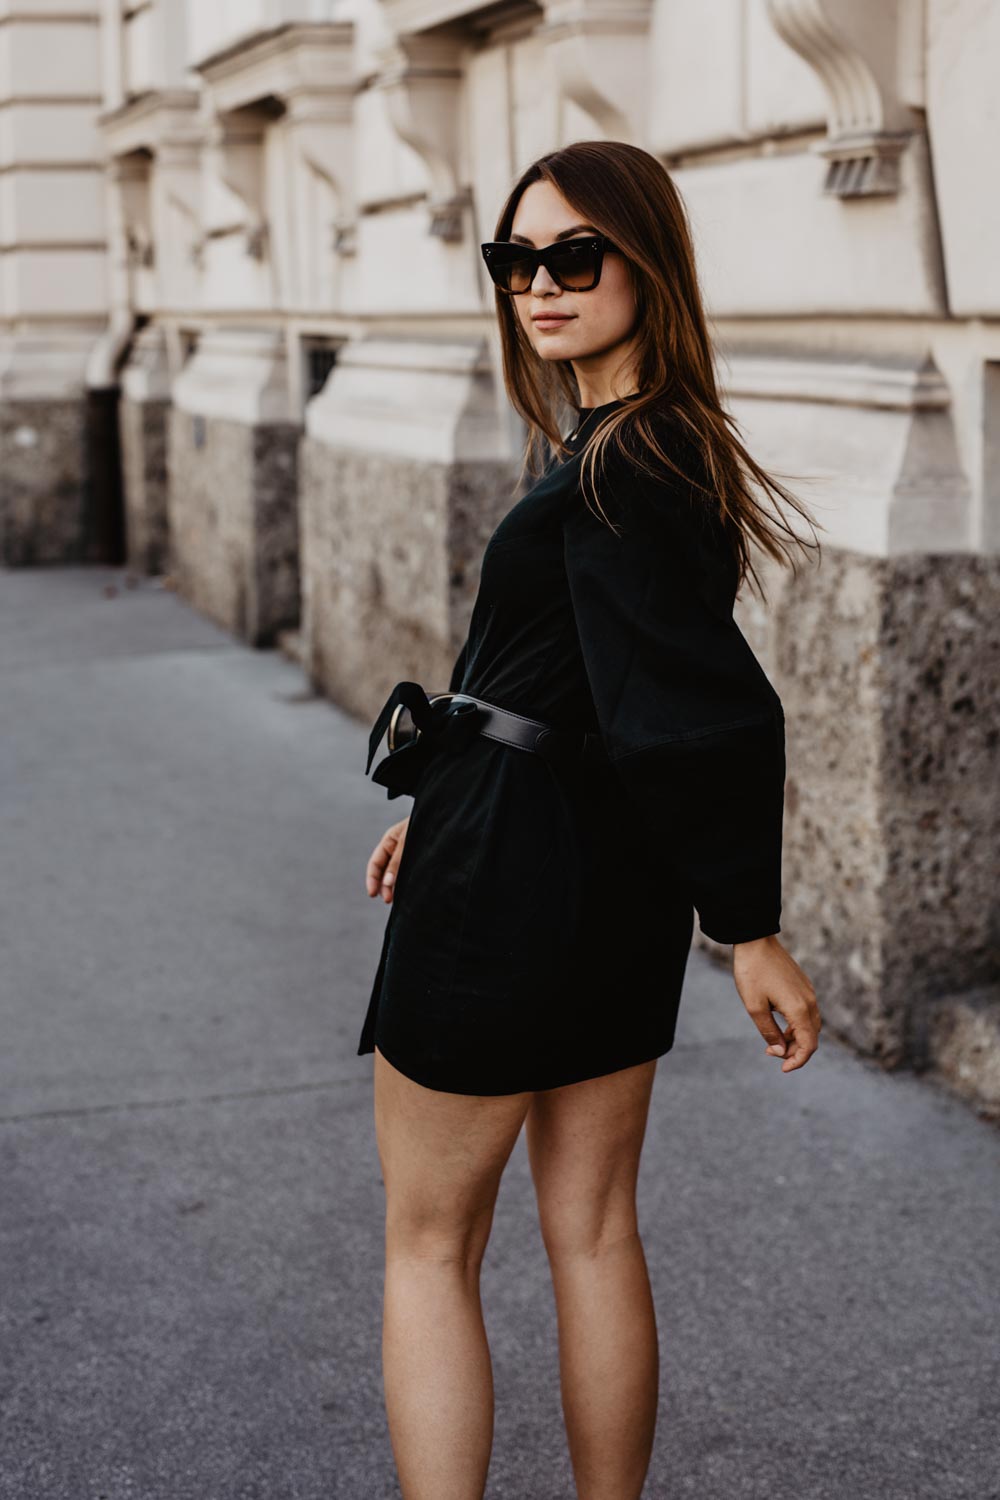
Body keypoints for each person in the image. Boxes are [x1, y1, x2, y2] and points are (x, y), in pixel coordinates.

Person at [358, 139, 823, 1500]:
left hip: (509, 884)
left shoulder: (623, 468)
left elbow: (699, 713)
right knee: (596, 1231)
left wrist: (752, 932)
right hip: (596, 877)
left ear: (647, 263)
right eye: (517, 262)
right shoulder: (648, 445)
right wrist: (443, 792)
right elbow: (585, 684)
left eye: (575, 257)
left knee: (428, 1246)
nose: (540, 286)